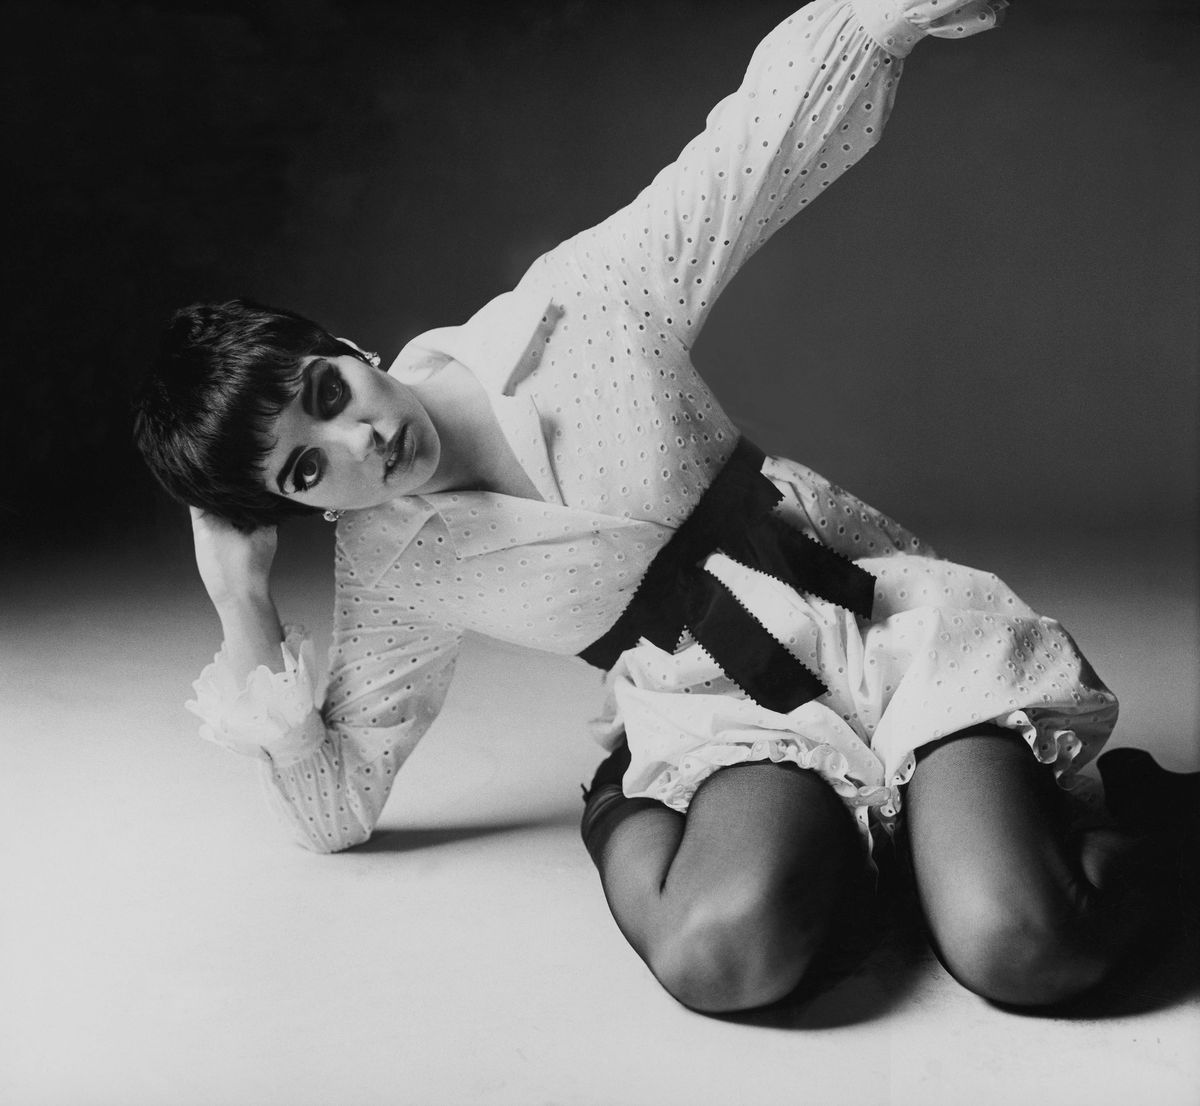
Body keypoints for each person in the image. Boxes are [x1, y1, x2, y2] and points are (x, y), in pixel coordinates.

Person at [134, 0, 1195, 1015]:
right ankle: (636, 802)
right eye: (307, 471)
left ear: (348, 348)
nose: (360, 442)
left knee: (1025, 942)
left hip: (878, 624)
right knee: (722, 953)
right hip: (723, 714)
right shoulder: (397, 564)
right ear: (299, 507)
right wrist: (243, 606)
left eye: (329, 393)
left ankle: (1124, 814)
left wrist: (887, 12)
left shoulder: (579, 306)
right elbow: (336, 810)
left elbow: (748, 154)